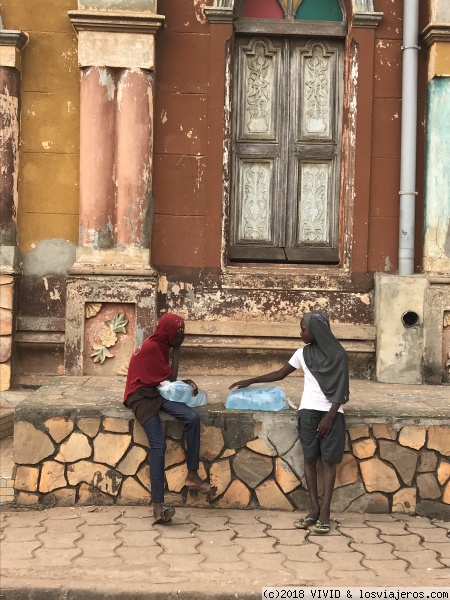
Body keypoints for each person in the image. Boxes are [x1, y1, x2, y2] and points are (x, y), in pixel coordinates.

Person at [229, 310, 349, 535]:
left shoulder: (339, 355)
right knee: (310, 459)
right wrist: (251, 380)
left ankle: (325, 513)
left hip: (331, 414)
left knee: (328, 463)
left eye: (304, 328)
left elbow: (341, 390)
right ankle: (313, 508)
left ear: (316, 330)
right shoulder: (303, 354)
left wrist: (330, 416)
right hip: (307, 413)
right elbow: (281, 373)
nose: (300, 332)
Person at [124, 313, 215, 524]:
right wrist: (178, 348)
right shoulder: (152, 347)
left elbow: (165, 379)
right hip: (140, 397)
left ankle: (192, 474)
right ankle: (158, 507)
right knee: (158, 445)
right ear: (168, 331)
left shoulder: (161, 345)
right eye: (178, 331)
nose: (181, 335)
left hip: (155, 391)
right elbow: (169, 378)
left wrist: (183, 380)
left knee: (191, 418)